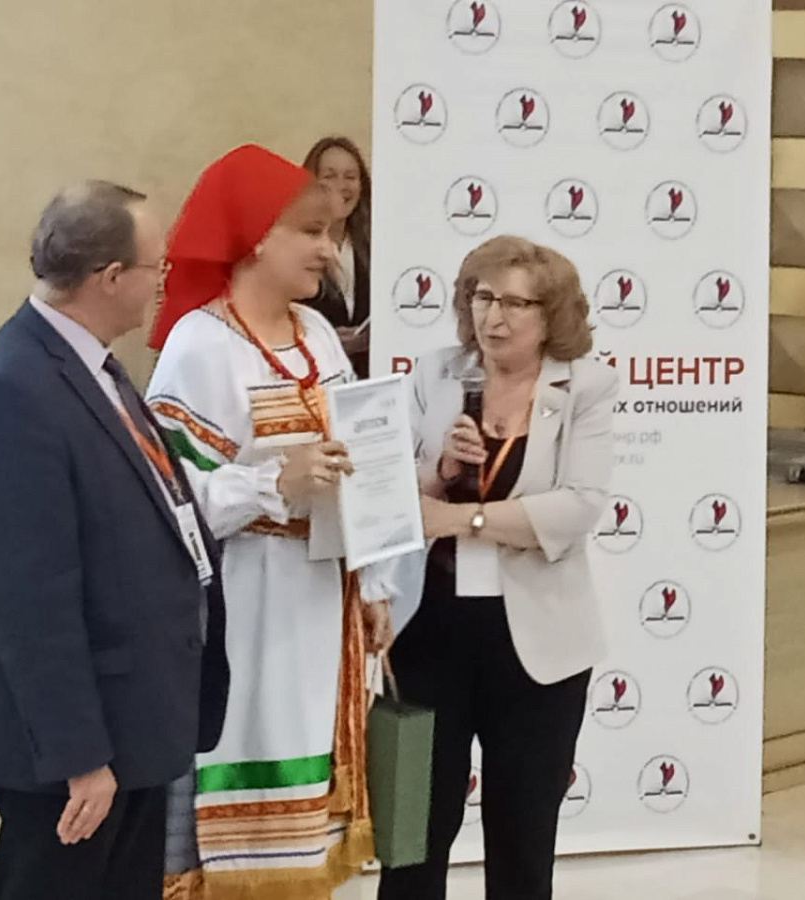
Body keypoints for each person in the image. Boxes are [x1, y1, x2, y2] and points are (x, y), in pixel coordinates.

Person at [0, 183, 229, 900]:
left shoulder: (91, 364)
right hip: (75, 743)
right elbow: (28, 596)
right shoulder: (16, 389)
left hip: (132, 715)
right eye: (157, 267)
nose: (164, 284)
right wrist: (79, 755)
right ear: (110, 277)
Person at [146, 144, 394, 900]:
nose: (329, 249)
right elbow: (167, 499)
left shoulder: (317, 336)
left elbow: (363, 465)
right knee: (240, 780)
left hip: (323, 604)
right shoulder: (200, 344)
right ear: (256, 238)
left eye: (330, 233)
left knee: (311, 818)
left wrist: (374, 579)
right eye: (310, 232)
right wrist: (271, 484)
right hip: (244, 609)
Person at [377, 236, 618, 900]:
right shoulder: (435, 373)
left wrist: (463, 520)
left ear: (551, 314)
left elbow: (577, 506)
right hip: (429, 632)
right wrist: (441, 468)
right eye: (483, 297)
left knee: (522, 835)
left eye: (516, 303)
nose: (495, 317)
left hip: (537, 644)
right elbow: (390, 490)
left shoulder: (586, 386)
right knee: (411, 833)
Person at [298, 136, 372, 379]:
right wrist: (328, 342)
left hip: (368, 383)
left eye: (350, 177)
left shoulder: (374, 247)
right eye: (329, 176)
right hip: (312, 382)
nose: (341, 185)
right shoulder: (293, 249)